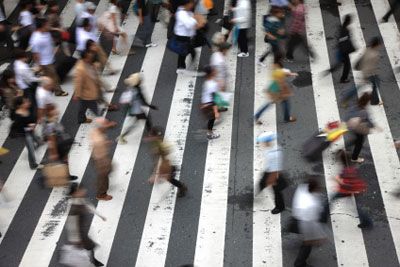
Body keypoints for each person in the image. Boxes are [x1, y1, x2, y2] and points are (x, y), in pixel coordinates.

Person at [320, 150, 372, 229]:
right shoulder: (349, 167)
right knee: (357, 207)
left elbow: (347, 185)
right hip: (352, 190)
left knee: (329, 201)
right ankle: (367, 222)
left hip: (348, 191)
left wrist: (337, 180)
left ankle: (323, 217)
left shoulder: (347, 170)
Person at [65, 184, 106, 266]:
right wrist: (75, 239)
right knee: (89, 247)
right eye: (79, 190)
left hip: (83, 230)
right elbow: (71, 225)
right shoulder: (73, 208)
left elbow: (88, 206)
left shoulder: (79, 200)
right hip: (79, 234)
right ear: (74, 194)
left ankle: (92, 260)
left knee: (89, 247)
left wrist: (100, 215)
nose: (83, 191)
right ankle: (93, 261)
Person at [292, 177, 326, 267]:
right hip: (305, 223)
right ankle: (299, 264)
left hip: (296, 217)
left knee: (305, 239)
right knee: (307, 245)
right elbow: (312, 222)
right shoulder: (312, 204)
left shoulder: (302, 188)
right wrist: (318, 236)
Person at [29, 17, 68, 96]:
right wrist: (39, 65)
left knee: (49, 76)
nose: (48, 25)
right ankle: (58, 91)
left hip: (50, 58)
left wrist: (58, 29)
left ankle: (48, 87)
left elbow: (50, 29)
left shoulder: (45, 31)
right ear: (42, 26)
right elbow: (35, 54)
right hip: (45, 62)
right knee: (53, 76)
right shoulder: (35, 39)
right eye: (47, 24)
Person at [255, 55, 297, 124]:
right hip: (279, 88)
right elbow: (284, 74)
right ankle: (286, 118)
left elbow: (282, 73)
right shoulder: (281, 70)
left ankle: (257, 115)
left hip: (274, 86)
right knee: (283, 102)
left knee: (272, 102)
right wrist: (292, 74)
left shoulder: (274, 66)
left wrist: (290, 74)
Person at [117, 72, 157, 144]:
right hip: (137, 110)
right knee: (146, 120)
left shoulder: (130, 88)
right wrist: (151, 106)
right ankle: (151, 133)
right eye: (139, 80)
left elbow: (126, 100)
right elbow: (143, 101)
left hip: (132, 110)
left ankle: (122, 136)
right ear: (138, 82)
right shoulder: (138, 90)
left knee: (137, 123)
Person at [147, 127, 188, 197]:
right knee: (167, 177)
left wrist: (159, 173)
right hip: (165, 163)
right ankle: (180, 185)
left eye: (151, 135)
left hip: (167, 164)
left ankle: (182, 187)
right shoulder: (157, 142)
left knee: (169, 179)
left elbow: (165, 157)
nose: (149, 137)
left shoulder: (161, 145)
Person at [342, 37, 383, 106]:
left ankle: (346, 97)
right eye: (379, 44)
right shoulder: (375, 54)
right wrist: (368, 75)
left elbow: (363, 60)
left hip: (366, 72)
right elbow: (370, 66)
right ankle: (374, 101)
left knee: (367, 86)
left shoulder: (368, 49)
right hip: (370, 74)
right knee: (375, 85)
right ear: (377, 45)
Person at [44, 104, 78, 181]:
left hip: (61, 144)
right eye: (54, 110)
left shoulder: (53, 120)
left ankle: (66, 175)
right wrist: (54, 153)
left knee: (64, 160)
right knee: (61, 161)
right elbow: (51, 139)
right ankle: (60, 177)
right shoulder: (49, 125)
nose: (56, 111)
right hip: (58, 146)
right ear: (49, 112)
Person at [257, 131, 287, 214]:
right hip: (269, 170)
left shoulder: (273, 154)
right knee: (263, 181)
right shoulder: (273, 148)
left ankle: (280, 207)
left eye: (262, 142)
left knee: (277, 192)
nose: (261, 143)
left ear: (266, 142)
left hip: (274, 174)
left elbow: (275, 170)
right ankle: (259, 189)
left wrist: (271, 181)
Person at [9, 96, 42, 169]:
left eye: (27, 101)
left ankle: (31, 151)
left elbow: (31, 118)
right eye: (25, 102)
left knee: (39, 142)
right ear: (20, 105)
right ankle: (33, 165)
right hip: (23, 134)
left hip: (30, 130)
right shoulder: (18, 116)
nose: (28, 102)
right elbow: (20, 128)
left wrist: (33, 123)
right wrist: (30, 126)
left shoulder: (27, 108)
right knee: (31, 148)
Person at [173, 0, 205, 73]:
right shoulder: (182, 14)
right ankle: (188, 67)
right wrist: (199, 22)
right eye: (191, 3)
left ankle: (181, 67)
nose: (192, 4)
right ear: (186, 4)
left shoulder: (184, 10)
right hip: (182, 37)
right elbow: (190, 24)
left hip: (185, 37)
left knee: (183, 53)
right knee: (191, 52)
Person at [345, 92, 378, 163]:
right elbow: (369, 121)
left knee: (356, 140)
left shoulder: (355, 105)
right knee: (359, 144)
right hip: (360, 130)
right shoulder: (364, 112)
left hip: (352, 128)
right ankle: (354, 158)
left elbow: (347, 116)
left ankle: (347, 147)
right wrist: (375, 126)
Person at [322, 14, 355, 83]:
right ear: (349, 22)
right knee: (347, 65)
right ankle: (343, 79)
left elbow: (339, 38)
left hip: (341, 49)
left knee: (340, 63)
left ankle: (331, 70)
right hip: (344, 51)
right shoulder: (346, 30)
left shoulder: (341, 27)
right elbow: (345, 41)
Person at [73, 49, 101, 124]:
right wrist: (77, 94)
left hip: (88, 91)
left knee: (83, 106)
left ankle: (81, 119)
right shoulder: (80, 69)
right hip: (87, 92)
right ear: (85, 58)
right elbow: (78, 83)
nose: (91, 56)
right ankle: (101, 120)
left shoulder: (87, 63)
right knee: (93, 106)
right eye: (89, 56)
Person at [90, 117, 114, 201]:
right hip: (101, 159)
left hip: (99, 155)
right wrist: (105, 143)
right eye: (105, 124)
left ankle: (101, 184)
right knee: (103, 176)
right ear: (100, 127)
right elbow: (100, 148)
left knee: (109, 170)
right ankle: (101, 194)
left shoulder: (95, 131)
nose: (107, 125)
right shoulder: (98, 140)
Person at [200, 66, 220, 140]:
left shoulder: (207, 82)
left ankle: (209, 132)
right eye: (214, 70)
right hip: (209, 105)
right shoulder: (212, 84)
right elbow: (213, 99)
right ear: (211, 73)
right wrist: (216, 112)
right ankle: (209, 134)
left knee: (211, 119)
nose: (215, 71)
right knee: (212, 119)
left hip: (205, 103)